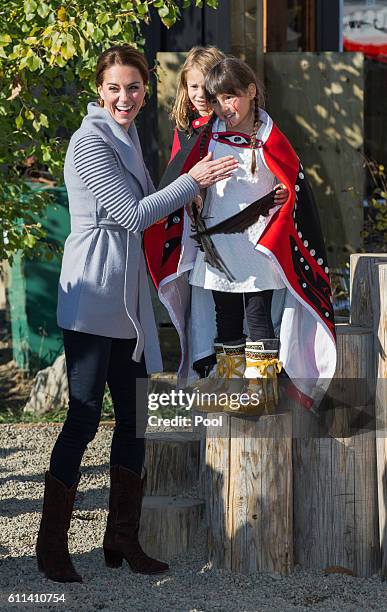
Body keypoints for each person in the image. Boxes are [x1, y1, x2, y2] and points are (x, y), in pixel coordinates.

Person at [36, 44, 238, 584]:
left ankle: (122, 538)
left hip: (129, 303)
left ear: (146, 91)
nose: (124, 97)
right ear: (99, 92)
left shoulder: (127, 138)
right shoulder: (89, 141)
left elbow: (157, 205)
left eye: (133, 88)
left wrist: (193, 193)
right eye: (114, 88)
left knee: (135, 420)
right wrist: (192, 182)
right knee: (82, 418)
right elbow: (130, 214)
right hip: (92, 297)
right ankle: (50, 545)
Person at [145, 55, 337, 412]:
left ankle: (261, 388)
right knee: (226, 316)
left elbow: (292, 184)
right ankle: (230, 380)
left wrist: (283, 195)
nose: (224, 106)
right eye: (217, 99)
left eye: (231, 96)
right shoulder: (206, 135)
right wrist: (195, 194)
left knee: (258, 316)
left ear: (251, 92)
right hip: (217, 246)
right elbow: (184, 177)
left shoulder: (270, 137)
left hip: (255, 248)